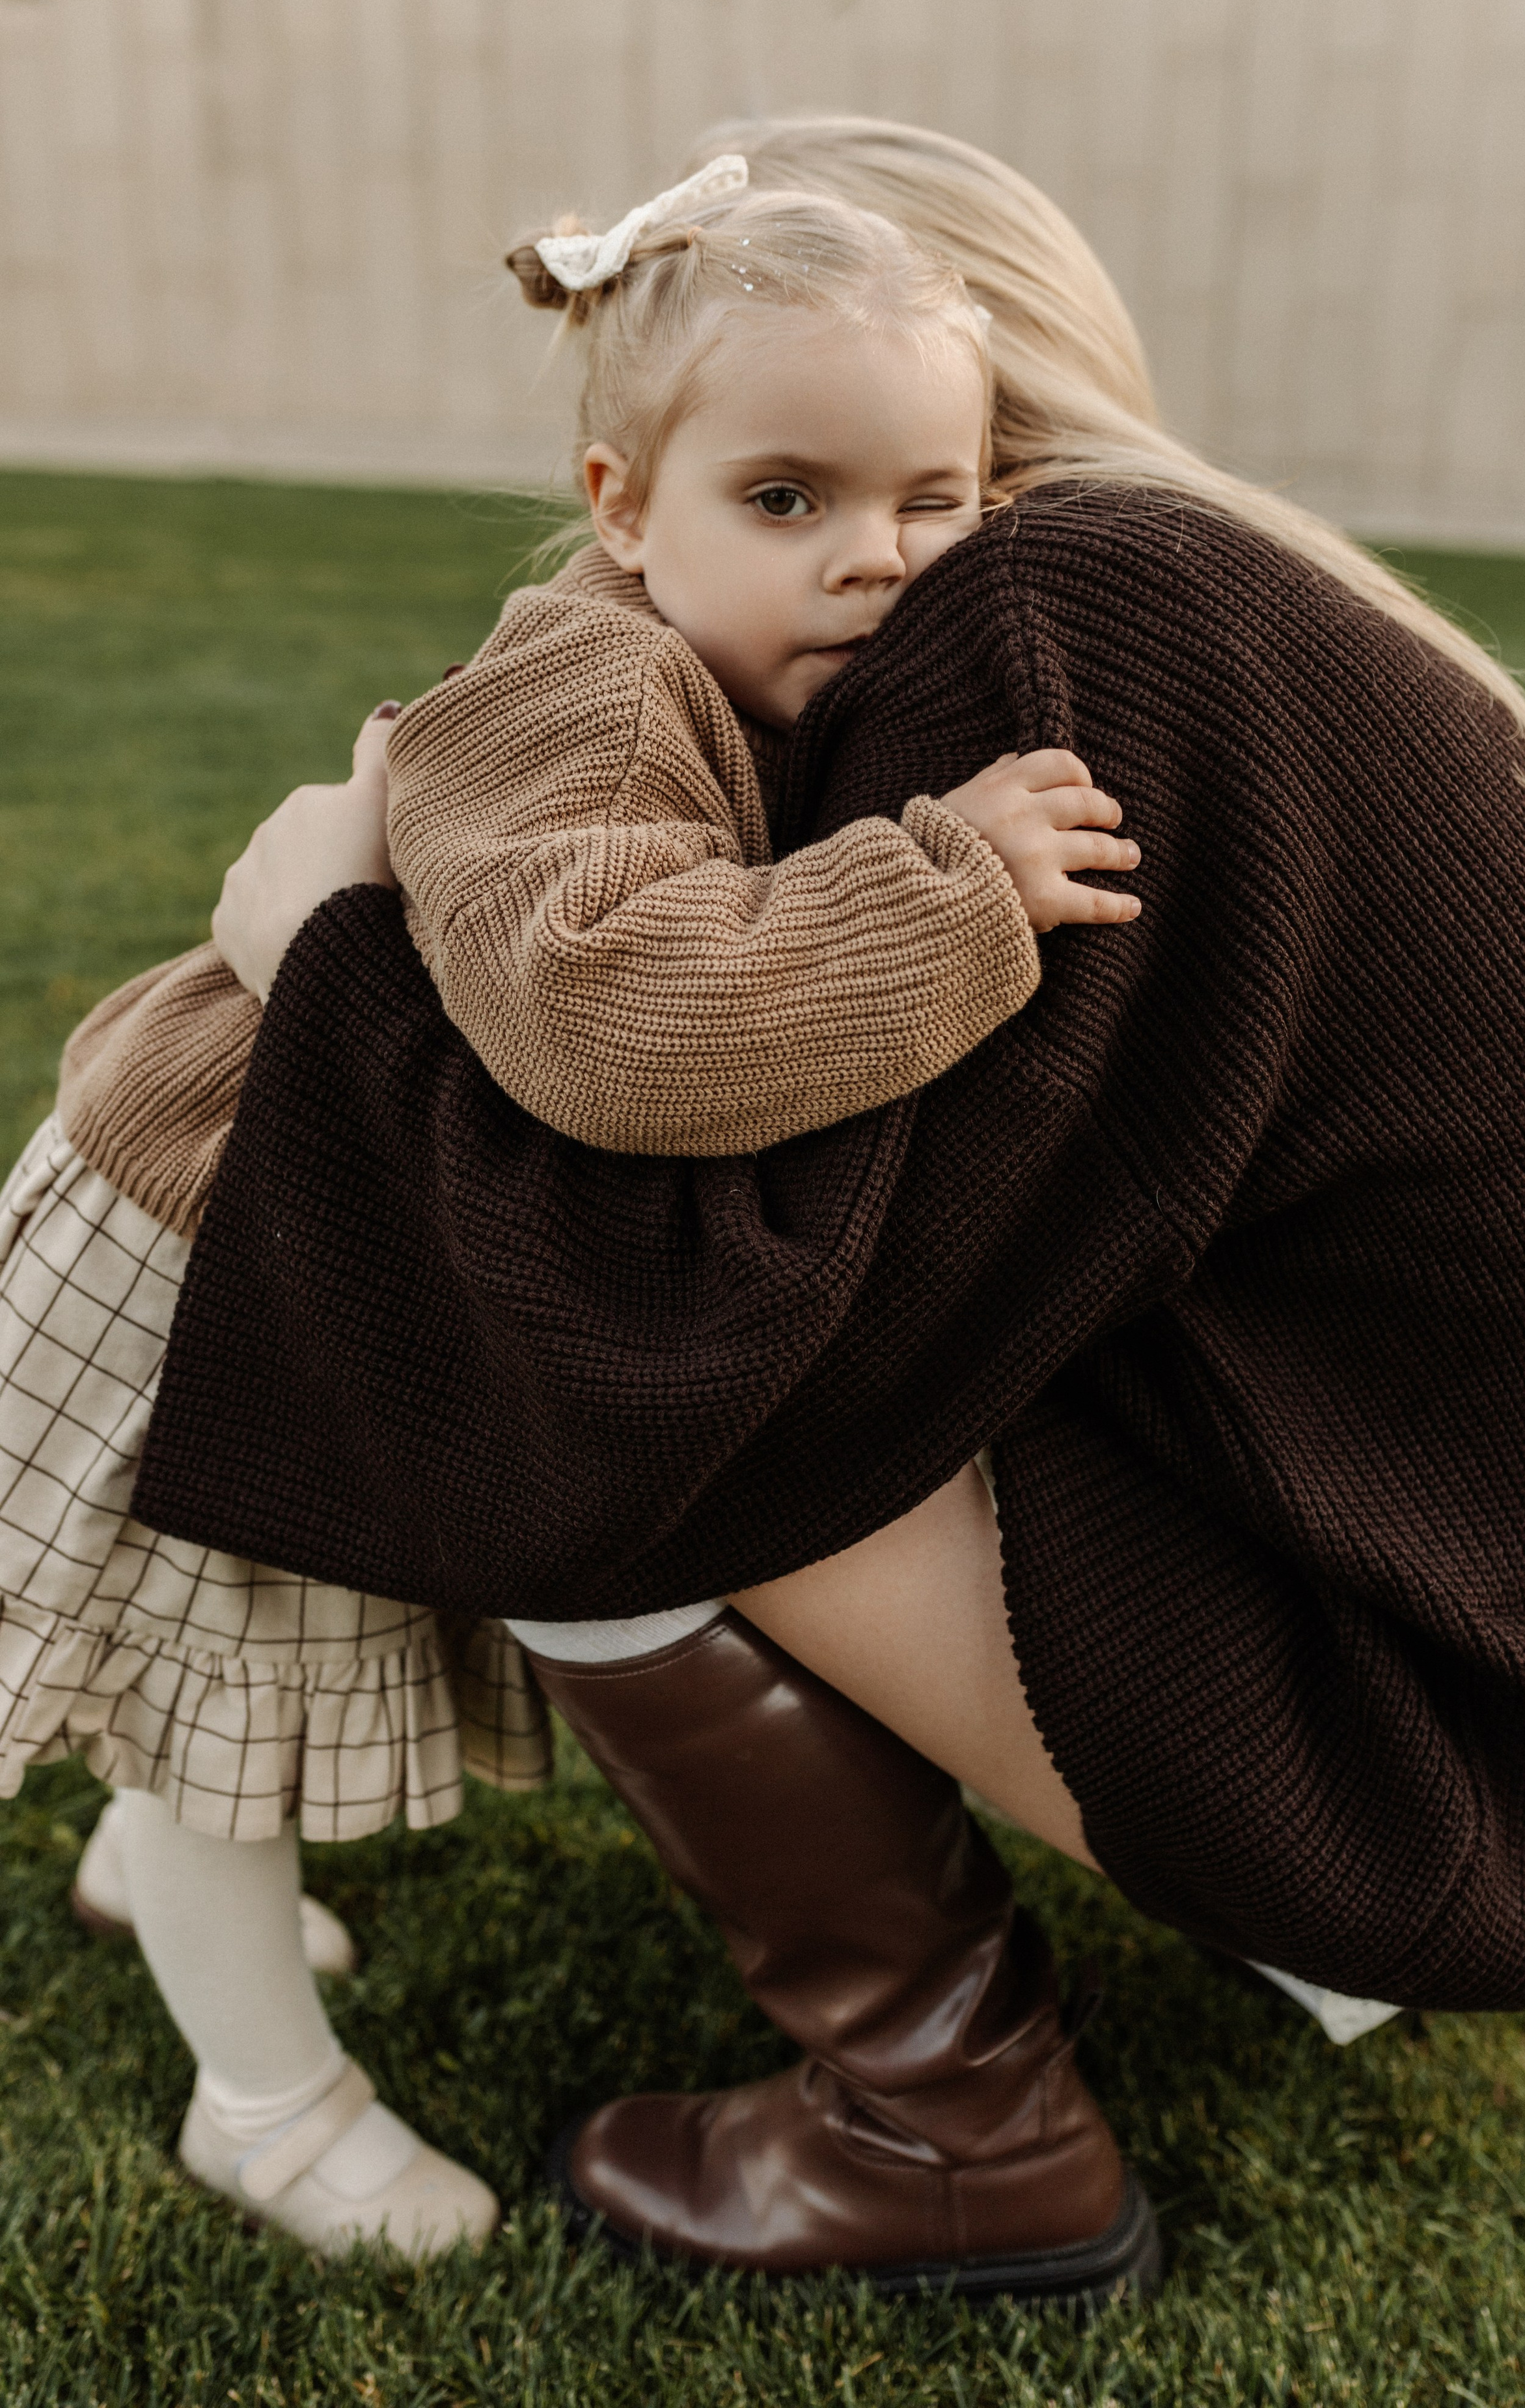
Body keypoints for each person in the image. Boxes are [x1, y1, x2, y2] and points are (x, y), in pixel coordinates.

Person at [137, 116, 1525, 2311]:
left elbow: (712, 1308)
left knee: (611, 1381)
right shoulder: (1177, 581)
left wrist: (330, 961)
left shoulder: (1059, 633)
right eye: (784, 497)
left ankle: (956, 2134)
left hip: (1453, 1767)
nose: (860, 549)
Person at [0, 158, 1139, 2261]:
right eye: (784, 500)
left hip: (335, 1247)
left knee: (231, 1662)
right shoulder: (589, 692)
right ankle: (262, 2103)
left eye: (932, 502)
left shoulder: (742, 674)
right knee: (218, 1688)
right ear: (624, 503)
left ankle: (146, 1848)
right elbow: (610, 1020)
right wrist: (952, 886)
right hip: (217, 1251)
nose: (875, 563)